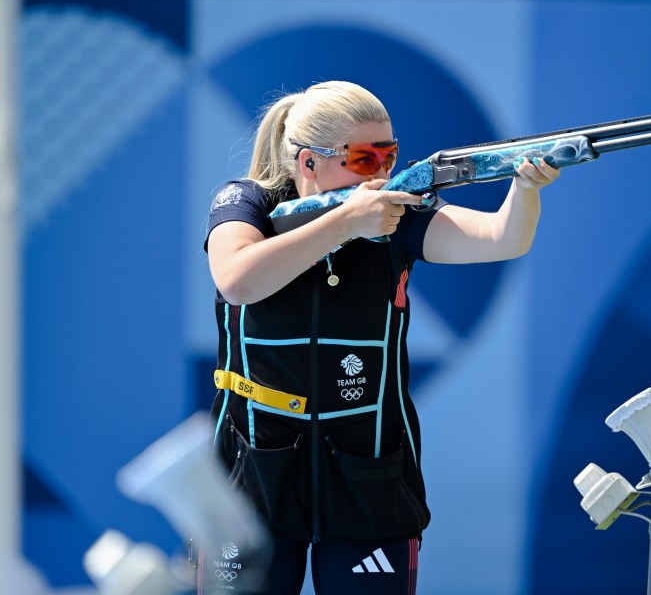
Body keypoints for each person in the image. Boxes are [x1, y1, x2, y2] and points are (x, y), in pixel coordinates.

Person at [201, 80, 558, 594]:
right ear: (309, 163)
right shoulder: (245, 203)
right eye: (365, 159)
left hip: (368, 471)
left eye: (389, 155)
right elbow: (237, 280)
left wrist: (525, 189)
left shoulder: (395, 215)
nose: (385, 173)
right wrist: (347, 221)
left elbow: (503, 239)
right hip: (253, 469)